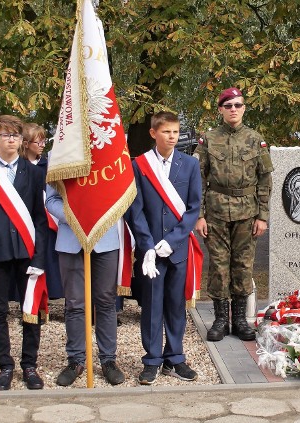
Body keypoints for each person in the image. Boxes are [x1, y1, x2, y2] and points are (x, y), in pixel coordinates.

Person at [0, 115, 48, 390]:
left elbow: (41, 220)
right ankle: (4, 366)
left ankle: (29, 365)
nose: (10, 140)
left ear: (21, 140)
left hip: (28, 254)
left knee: (31, 310)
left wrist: (40, 257)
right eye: (5, 135)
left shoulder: (36, 173)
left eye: (15, 136)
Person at [128, 111, 202, 385]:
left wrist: (172, 242)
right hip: (149, 252)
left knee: (174, 304)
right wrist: (148, 245)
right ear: (153, 133)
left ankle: (175, 357)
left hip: (177, 250)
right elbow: (134, 210)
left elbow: (194, 209)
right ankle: (151, 360)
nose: (172, 137)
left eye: (175, 132)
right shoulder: (139, 165)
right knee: (151, 306)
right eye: (166, 132)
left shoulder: (190, 165)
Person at [193, 87, 273, 342]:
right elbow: (198, 179)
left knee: (243, 266)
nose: (233, 109)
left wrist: (263, 216)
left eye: (238, 105)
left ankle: (239, 320)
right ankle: (220, 320)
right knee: (218, 266)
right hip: (215, 212)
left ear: (244, 108)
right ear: (220, 110)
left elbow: (265, 179)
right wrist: (199, 215)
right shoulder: (208, 139)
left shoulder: (255, 139)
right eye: (228, 106)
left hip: (247, 213)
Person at [46, 186, 126, 386]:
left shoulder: (107, 154)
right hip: (71, 238)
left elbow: (120, 192)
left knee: (106, 302)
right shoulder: (61, 154)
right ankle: (76, 360)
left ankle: (108, 360)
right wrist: (76, 216)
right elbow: (51, 200)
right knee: (74, 303)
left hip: (105, 237)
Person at [22, 124, 63, 300]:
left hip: (47, 219)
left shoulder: (48, 164)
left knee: (49, 259)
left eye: (43, 140)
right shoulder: (20, 166)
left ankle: (50, 295)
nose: (41, 144)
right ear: (26, 143)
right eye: (37, 140)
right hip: (26, 218)